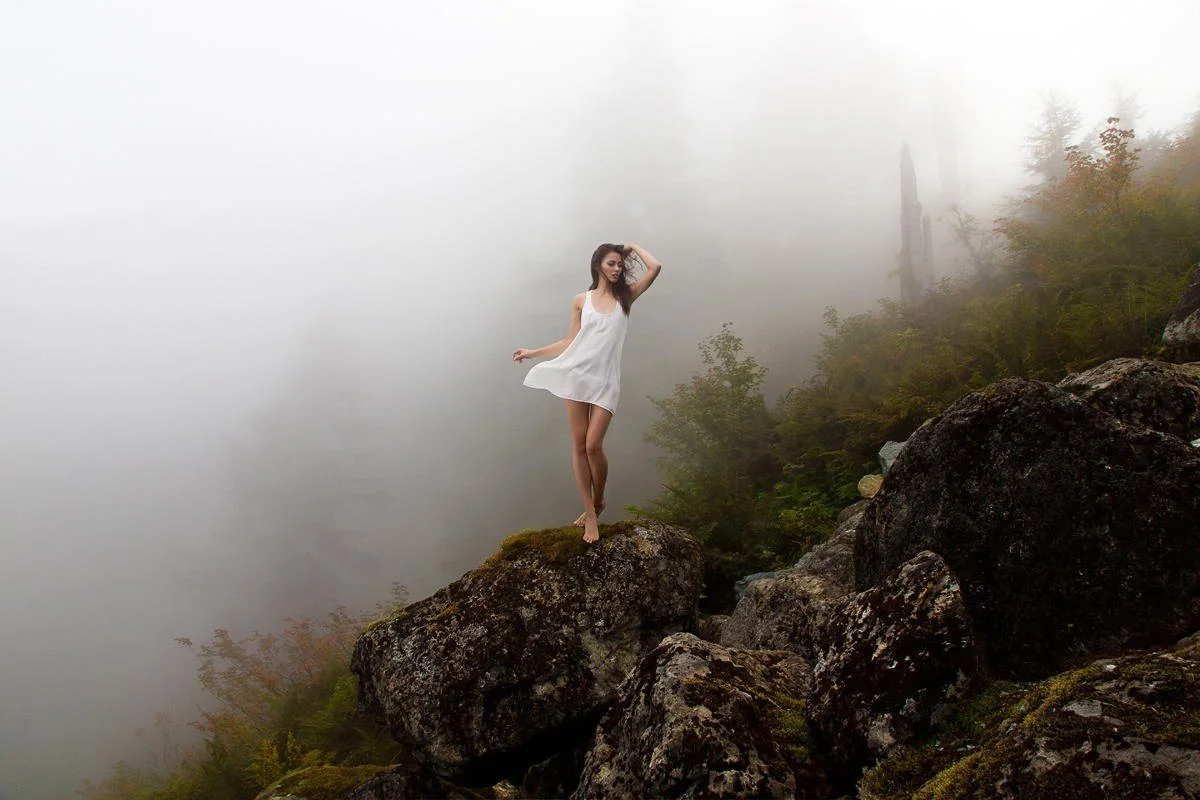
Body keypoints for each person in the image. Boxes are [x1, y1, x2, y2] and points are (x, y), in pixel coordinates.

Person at [513, 242, 662, 544]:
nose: (617, 268)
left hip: (606, 381)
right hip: (577, 375)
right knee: (579, 446)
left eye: (620, 264)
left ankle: (600, 499)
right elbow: (570, 341)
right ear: (598, 266)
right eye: (611, 264)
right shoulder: (582, 300)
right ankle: (590, 513)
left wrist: (632, 247)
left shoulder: (626, 297)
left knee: (594, 446)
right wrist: (534, 352)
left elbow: (655, 268)